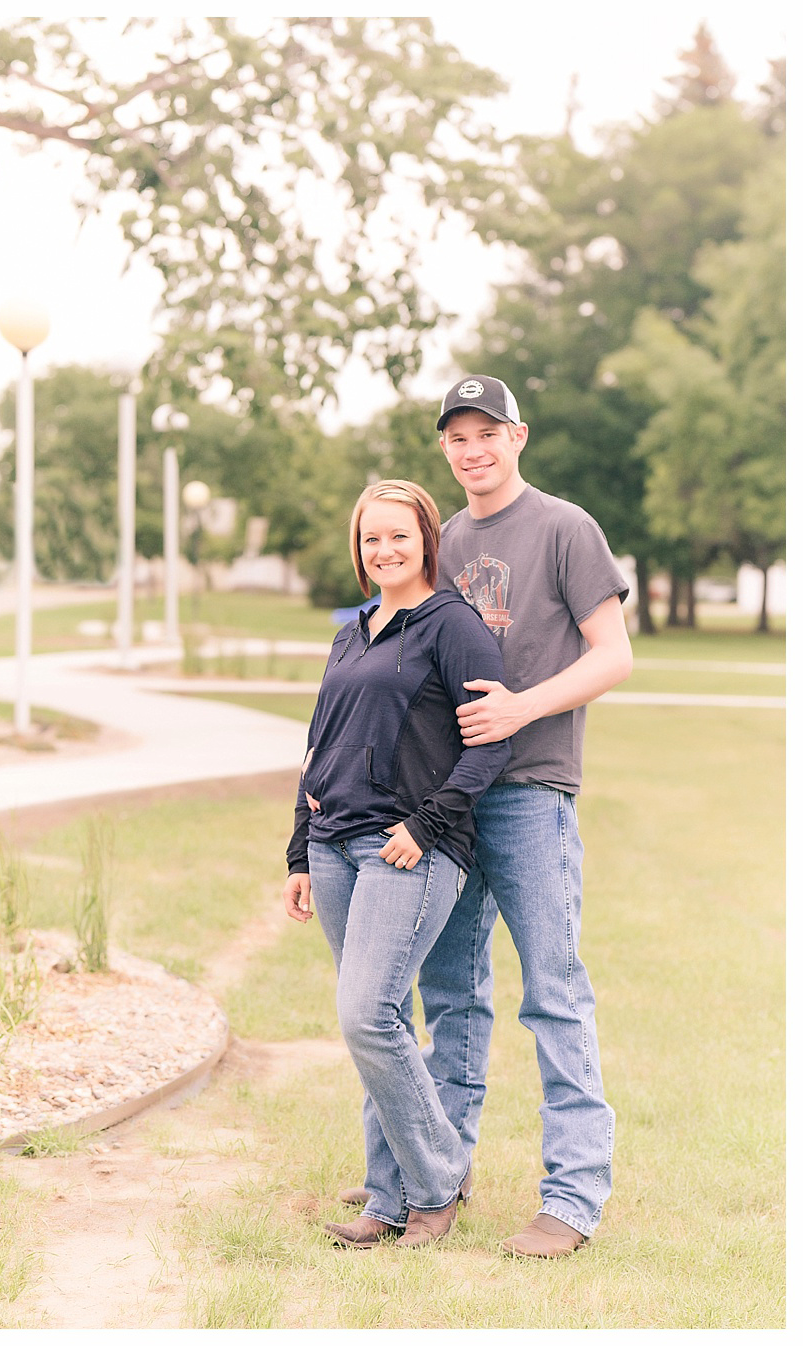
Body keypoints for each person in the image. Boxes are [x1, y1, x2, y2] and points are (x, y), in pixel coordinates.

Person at [342, 375, 632, 1258]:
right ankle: (440, 1172)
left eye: (487, 432)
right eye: (457, 437)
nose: (473, 449)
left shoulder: (564, 527)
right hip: (447, 807)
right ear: (444, 450)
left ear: (518, 436)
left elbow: (613, 655)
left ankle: (573, 1198)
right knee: (448, 996)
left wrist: (520, 708)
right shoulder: (441, 538)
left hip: (532, 789)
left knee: (553, 992)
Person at [283, 478, 513, 1249]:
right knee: (376, 1021)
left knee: (366, 1015)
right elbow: (320, 747)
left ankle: (440, 1179)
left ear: (426, 542)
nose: (384, 550)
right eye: (370, 538)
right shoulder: (352, 632)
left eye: (398, 536)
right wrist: (298, 852)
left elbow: (495, 740)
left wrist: (427, 821)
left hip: (407, 848)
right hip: (334, 845)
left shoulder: (452, 625)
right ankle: (388, 1196)